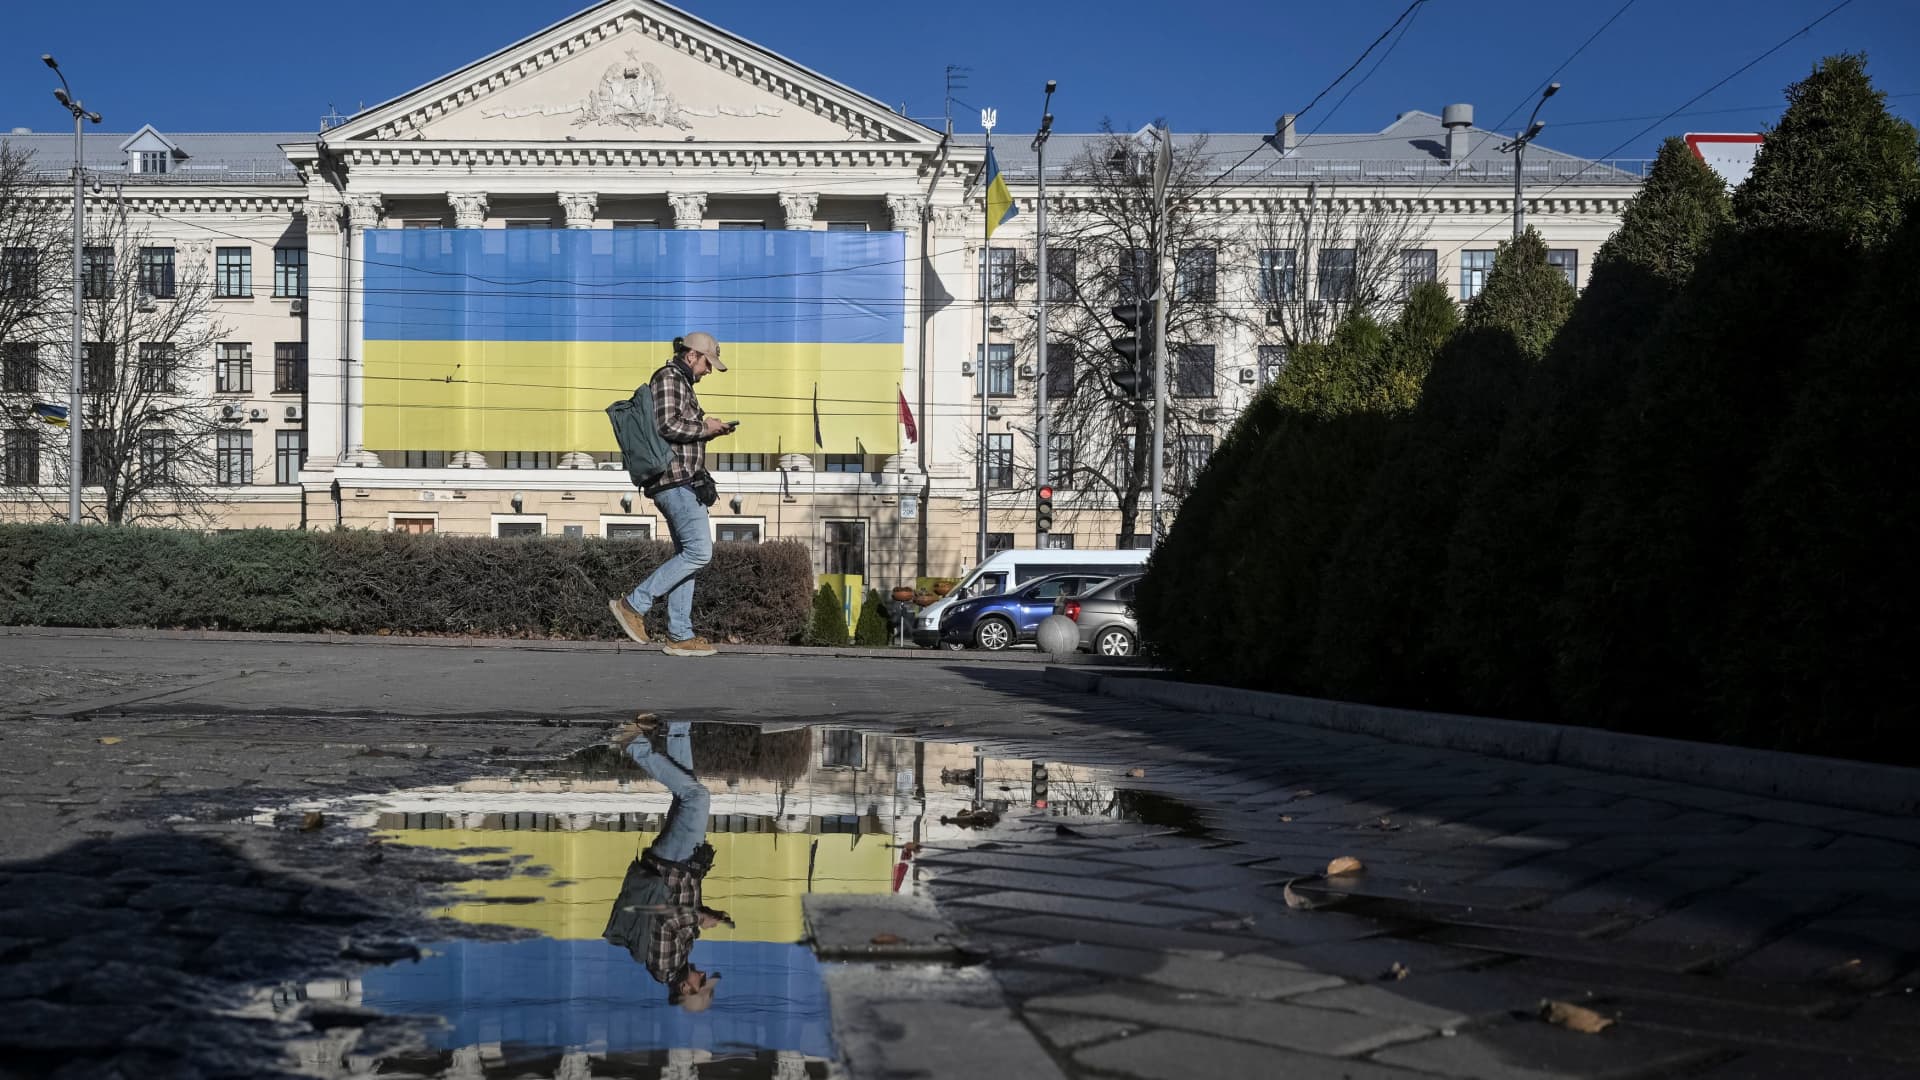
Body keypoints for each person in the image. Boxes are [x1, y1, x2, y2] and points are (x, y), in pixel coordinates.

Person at [608, 331, 732, 657]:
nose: (708, 371)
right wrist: (706, 427)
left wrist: (710, 428)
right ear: (692, 355)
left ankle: (680, 633)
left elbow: (678, 431)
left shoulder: (682, 383)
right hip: (675, 482)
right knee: (699, 553)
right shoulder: (669, 377)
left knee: (688, 558)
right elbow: (668, 426)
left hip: (682, 481)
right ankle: (633, 605)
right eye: (707, 363)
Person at [602, 716, 734, 1010]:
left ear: (687, 988)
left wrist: (701, 919)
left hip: (673, 863)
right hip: (679, 865)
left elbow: (663, 918)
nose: (703, 974)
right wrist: (707, 912)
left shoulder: (664, 965)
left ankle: (632, 743)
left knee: (696, 796)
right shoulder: (678, 962)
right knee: (685, 791)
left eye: (702, 982)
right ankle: (678, 727)